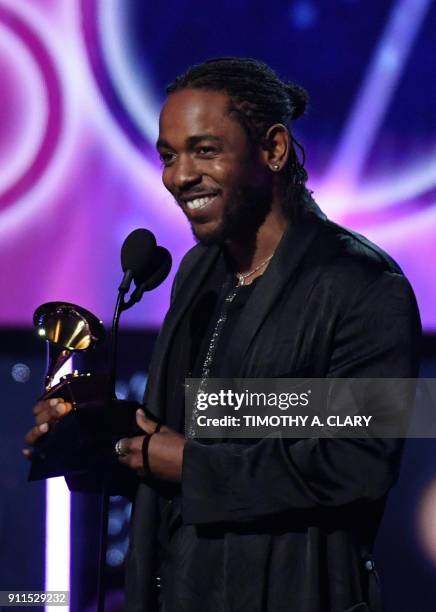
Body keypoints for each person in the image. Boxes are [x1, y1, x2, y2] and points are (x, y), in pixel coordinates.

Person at [24, 58, 421, 612]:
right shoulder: (198, 272)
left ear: (274, 150)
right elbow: (186, 434)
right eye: (169, 155)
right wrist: (90, 434)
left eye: (205, 150)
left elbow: (358, 463)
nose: (180, 175)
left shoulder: (362, 285)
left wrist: (188, 462)